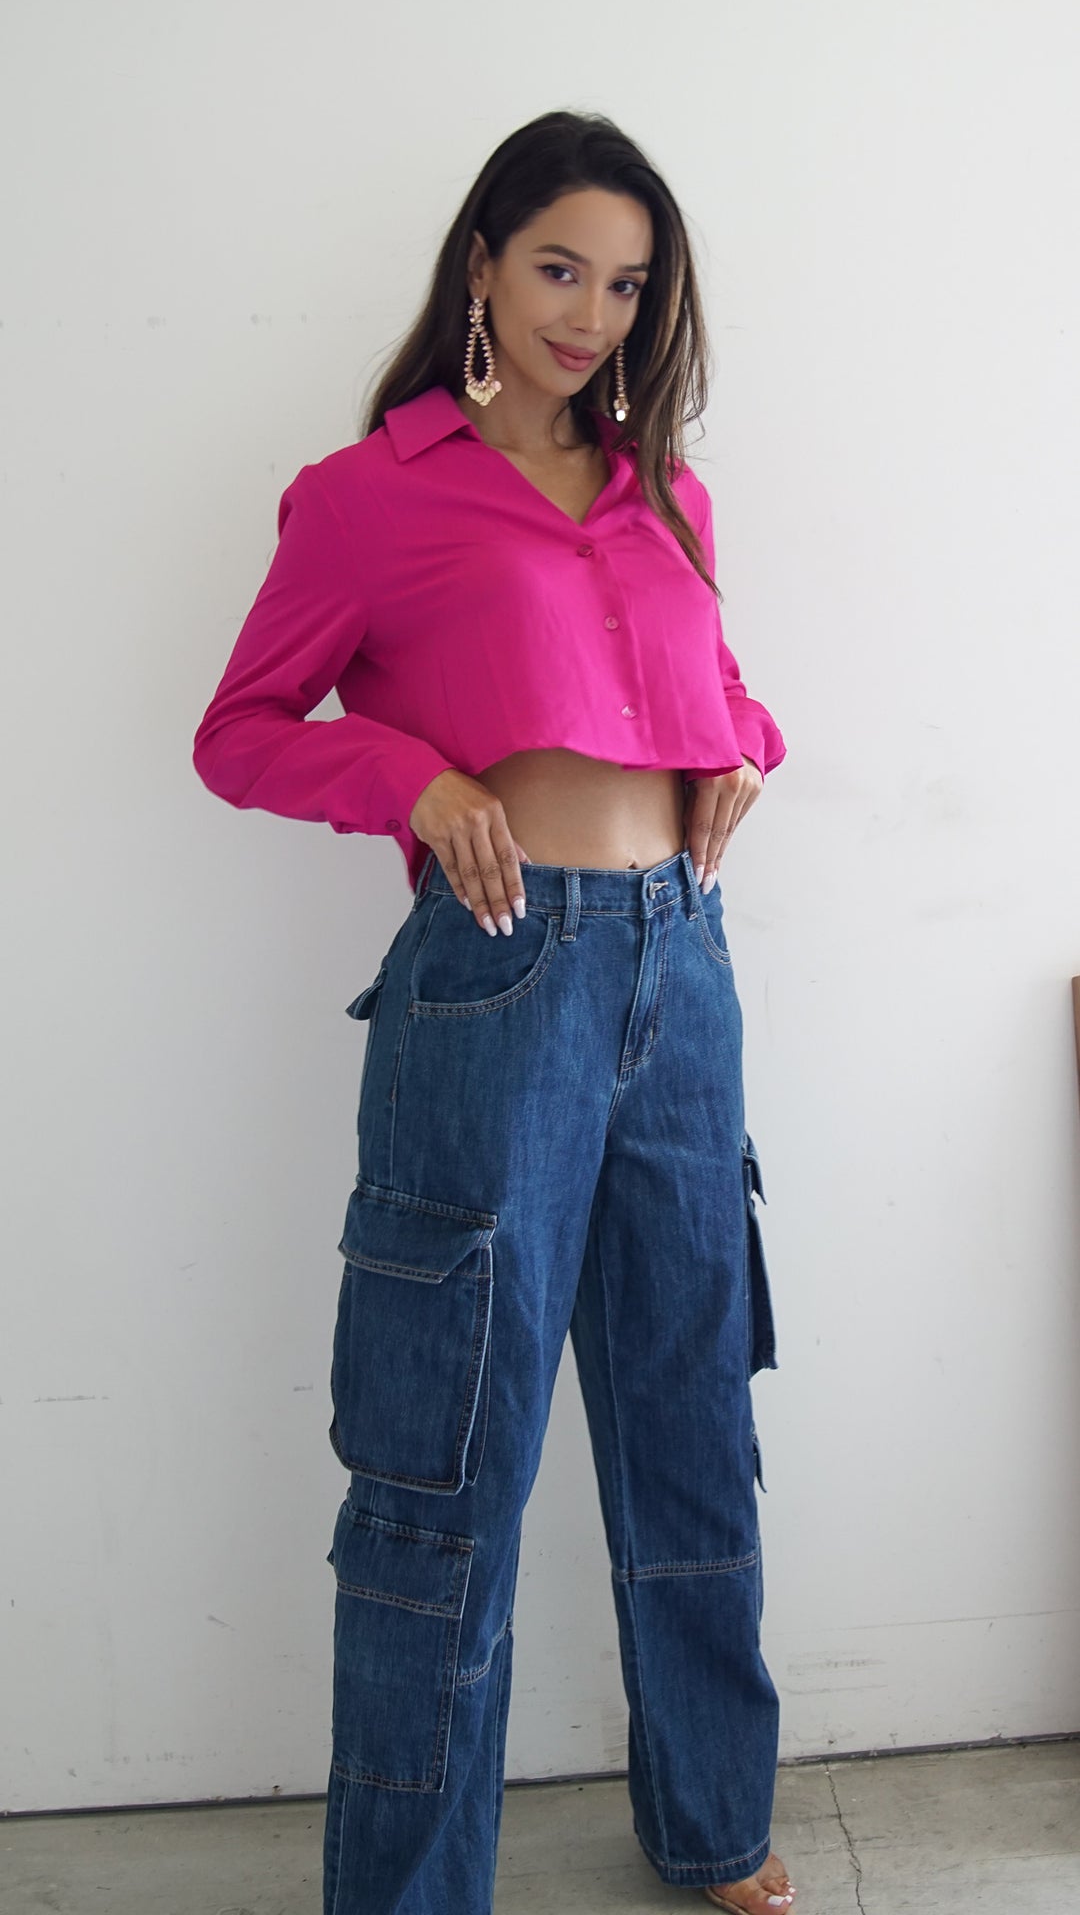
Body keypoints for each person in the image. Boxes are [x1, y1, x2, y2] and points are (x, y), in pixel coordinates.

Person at [193, 107, 794, 1915]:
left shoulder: (666, 496)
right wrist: (413, 777)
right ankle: (407, 1892)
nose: (591, 315)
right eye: (557, 268)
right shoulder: (365, 496)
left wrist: (741, 755)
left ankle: (714, 1823)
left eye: (627, 284)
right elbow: (239, 733)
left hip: (682, 973)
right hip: (500, 976)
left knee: (693, 1423)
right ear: (481, 262)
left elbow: (724, 695)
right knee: (442, 1453)